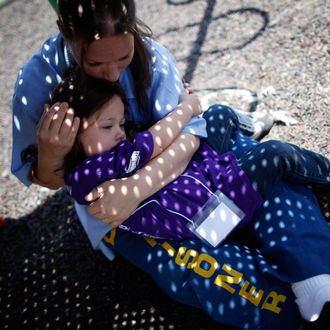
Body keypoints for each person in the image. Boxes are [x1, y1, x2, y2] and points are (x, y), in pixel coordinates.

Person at [11, 0, 330, 328]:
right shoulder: (46, 93)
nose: (112, 74)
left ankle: (314, 273)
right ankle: (303, 296)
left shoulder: (150, 65)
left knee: (222, 121)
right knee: (226, 265)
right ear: (67, 35)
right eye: (95, 62)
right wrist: (51, 154)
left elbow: (186, 139)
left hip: (190, 181)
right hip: (204, 219)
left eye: (124, 57)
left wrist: (137, 188)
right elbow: (155, 141)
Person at [43, 70, 329, 244]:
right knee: (274, 154)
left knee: (217, 114)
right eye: (108, 126)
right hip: (213, 222)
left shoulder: (104, 155)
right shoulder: (87, 175)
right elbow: (154, 142)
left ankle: (251, 127)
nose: (120, 133)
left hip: (206, 178)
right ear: (72, 135)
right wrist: (188, 107)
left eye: (121, 123)